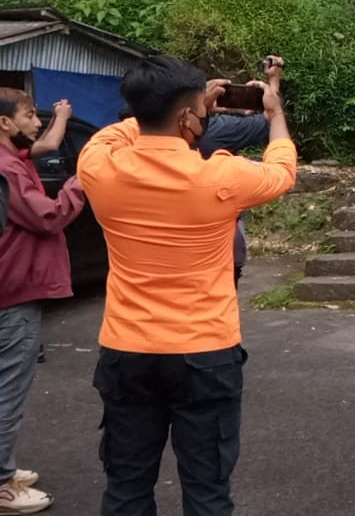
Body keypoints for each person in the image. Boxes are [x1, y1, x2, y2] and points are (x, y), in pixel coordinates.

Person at [77, 57, 296, 516]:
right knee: (208, 492)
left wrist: (182, 108)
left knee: (126, 487)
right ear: (186, 119)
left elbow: (113, 135)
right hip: (204, 351)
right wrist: (274, 115)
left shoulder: (99, 168)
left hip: (127, 349)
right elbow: (282, 170)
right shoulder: (221, 175)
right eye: (198, 111)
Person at [0, 89, 86, 515]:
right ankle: (1, 485)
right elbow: (48, 216)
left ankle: (4, 469)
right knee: (8, 390)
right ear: (5, 123)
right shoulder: (7, 169)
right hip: (13, 293)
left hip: (13, 289)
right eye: (30, 115)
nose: (37, 123)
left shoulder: (14, 160)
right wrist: (79, 183)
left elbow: (48, 145)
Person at [197, 55, 286, 286]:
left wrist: (199, 112)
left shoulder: (113, 160)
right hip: (222, 245)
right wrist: (273, 85)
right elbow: (268, 126)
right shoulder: (221, 147)